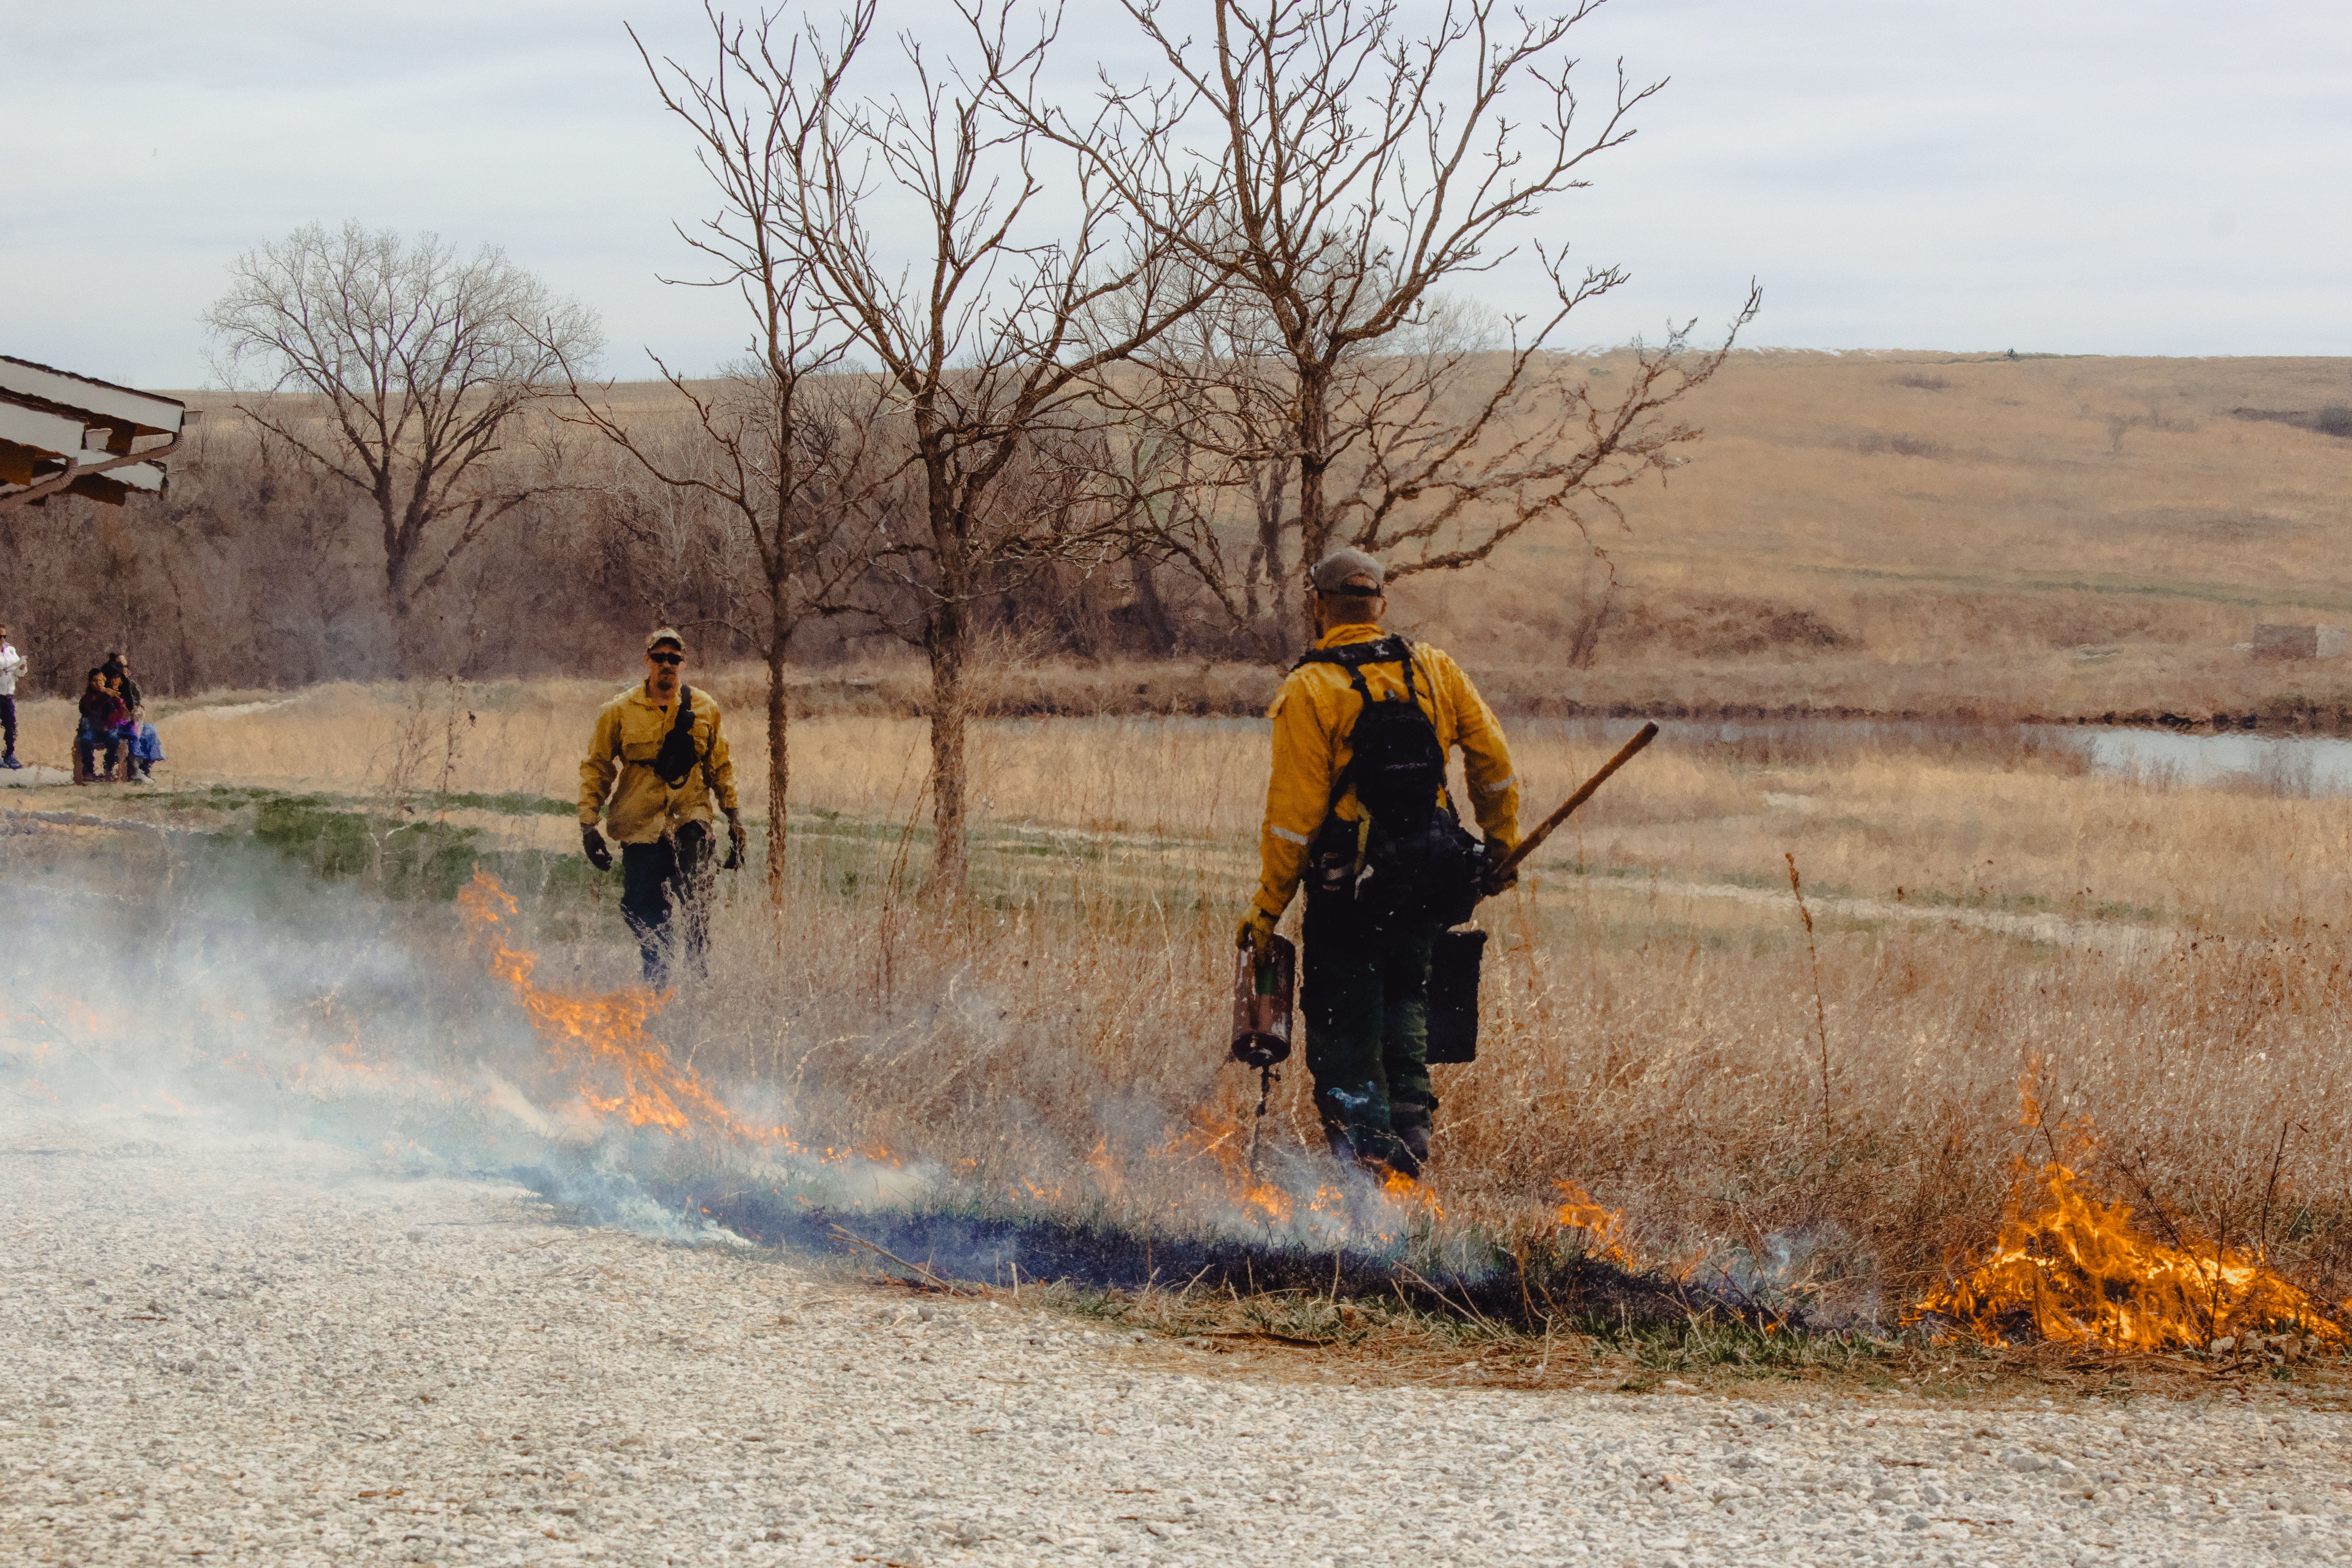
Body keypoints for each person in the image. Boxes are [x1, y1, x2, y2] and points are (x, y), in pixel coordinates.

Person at [1237, 548, 1522, 1178]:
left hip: (1348, 899)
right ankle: (1411, 1142)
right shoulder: (1434, 668)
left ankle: (1365, 1172)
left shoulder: (1311, 688)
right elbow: (1494, 761)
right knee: (1408, 1001)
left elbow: (1292, 820)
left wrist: (1266, 910)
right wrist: (1501, 845)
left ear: (1319, 607)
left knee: (1345, 1025)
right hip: (1430, 880)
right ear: (1382, 606)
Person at [578, 628, 746, 985]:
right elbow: (598, 767)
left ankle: (700, 979)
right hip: (640, 824)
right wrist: (588, 824)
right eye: (659, 657)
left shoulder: (705, 708)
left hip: (690, 815)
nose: (667, 665)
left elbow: (720, 767)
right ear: (647, 661)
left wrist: (735, 820)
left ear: (682, 664)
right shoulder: (619, 710)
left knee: (698, 899)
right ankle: (659, 982)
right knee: (646, 912)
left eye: (674, 658)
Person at [75, 668, 129, 785]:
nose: (98, 683)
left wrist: (109, 723)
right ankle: (89, 772)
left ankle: (109, 769)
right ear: (90, 683)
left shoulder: (112, 695)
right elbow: (90, 709)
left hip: (108, 728)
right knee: (86, 739)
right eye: (95, 681)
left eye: (100, 680)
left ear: (105, 681)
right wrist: (105, 695)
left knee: (114, 738)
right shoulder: (87, 698)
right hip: (92, 729)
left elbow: (123, 712)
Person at [0, 623, 23, 769]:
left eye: (4, 636)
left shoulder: (11, 650)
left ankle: (9, 755)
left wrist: (22, 667)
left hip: (8, 694)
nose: (2, 639)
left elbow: (19, 673)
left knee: (11, 726)